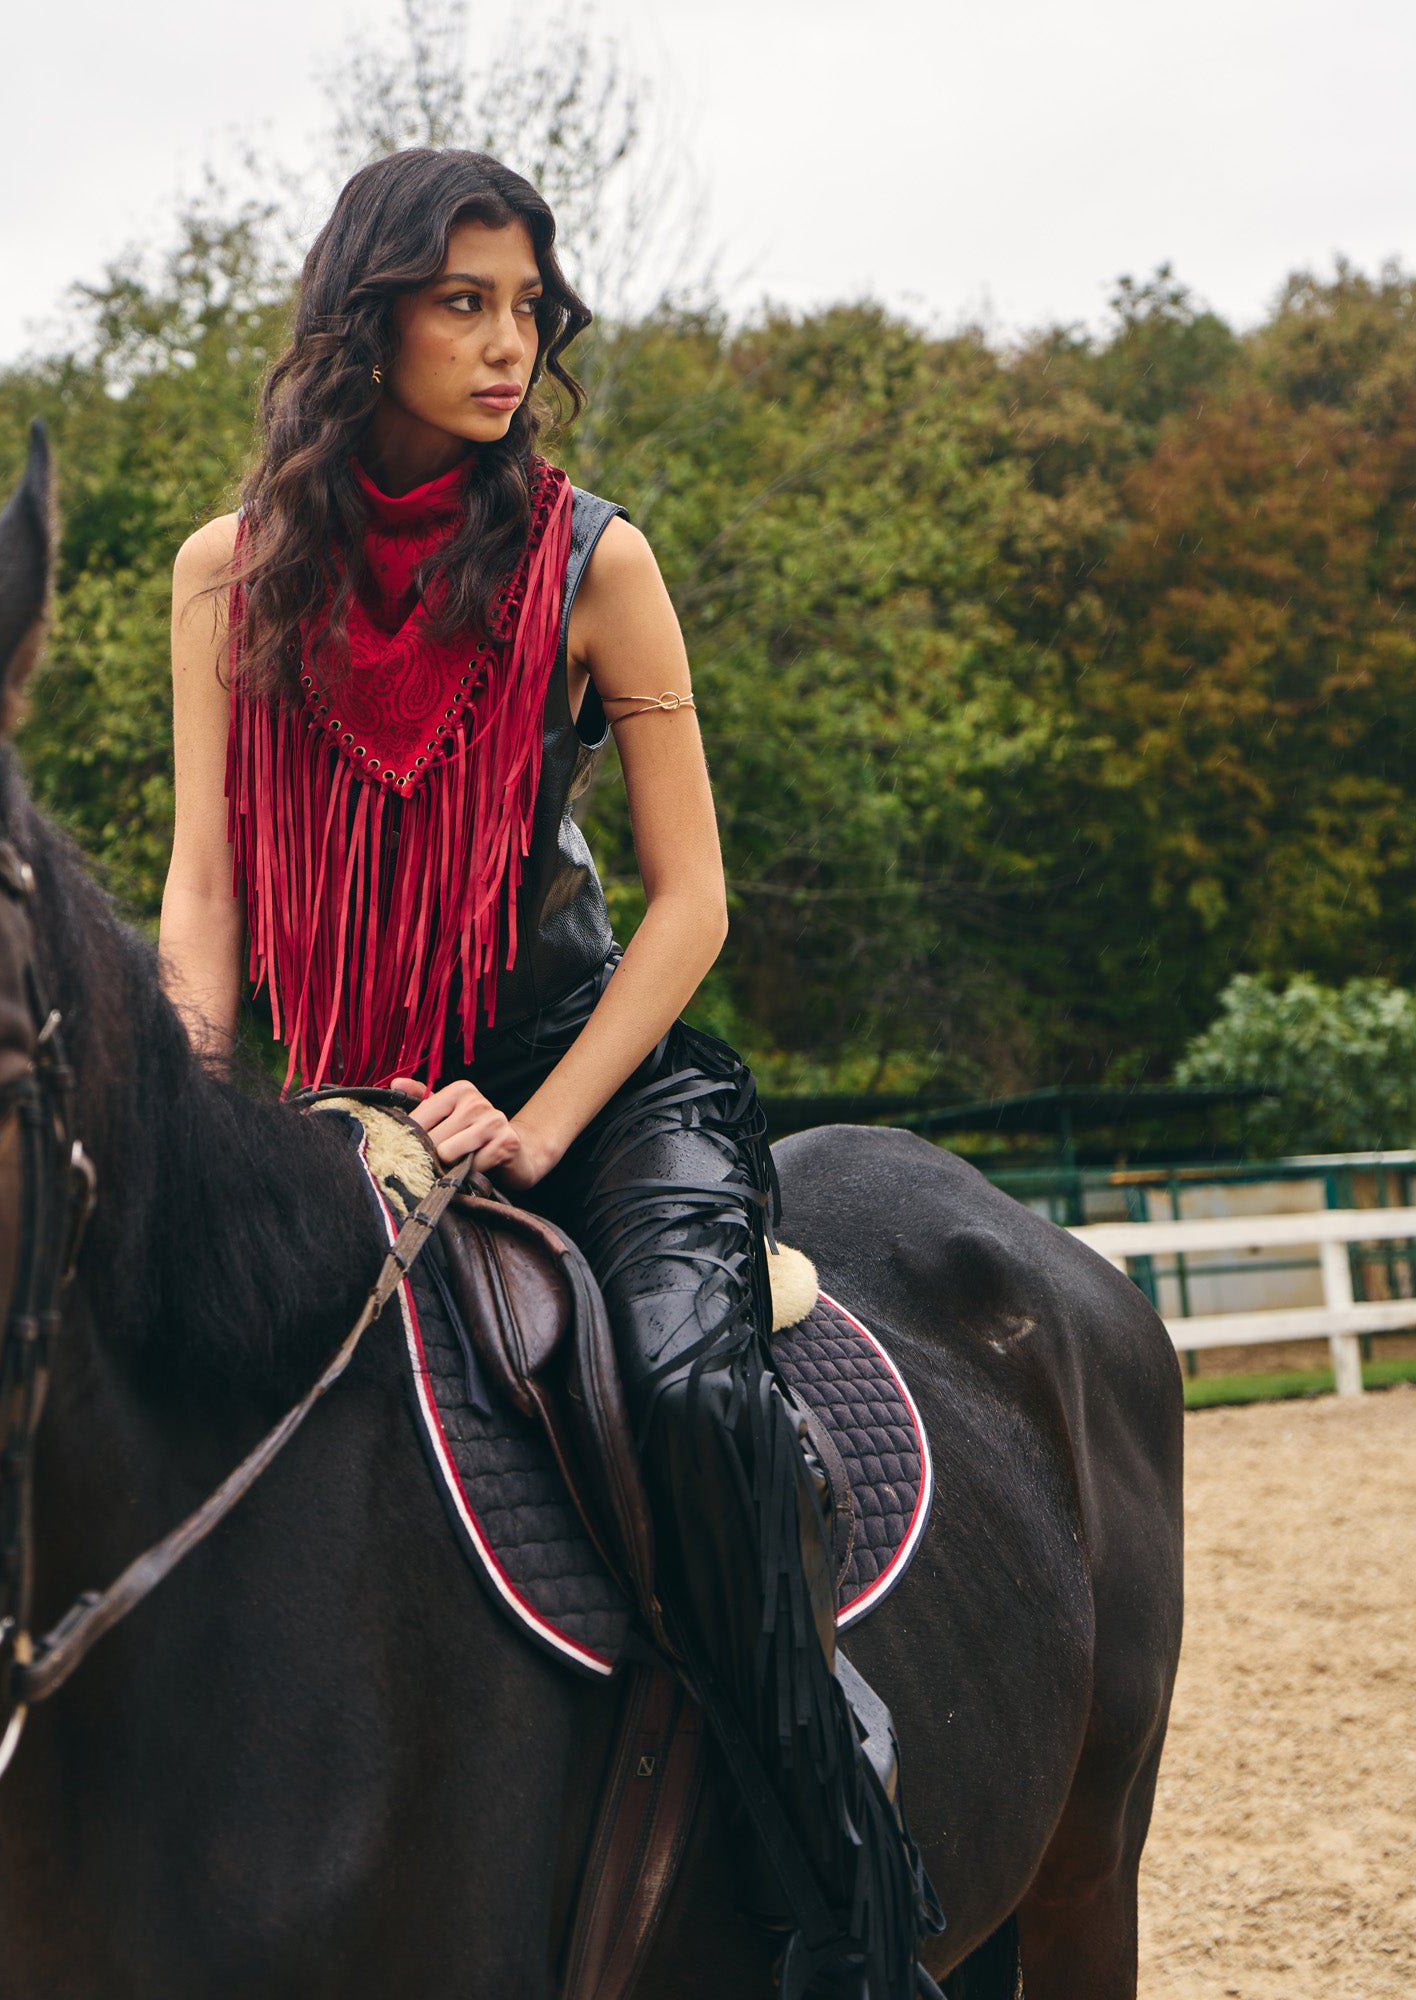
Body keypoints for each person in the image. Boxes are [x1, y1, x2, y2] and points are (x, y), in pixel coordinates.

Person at [161, 147, 940, 1999]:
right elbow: (203, 885)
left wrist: (538, 1122)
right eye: (463, 303)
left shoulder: (600, 562)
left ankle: (848, 1889)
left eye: (527, 307)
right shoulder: (224, 576)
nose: (508, 344)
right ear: (370, 320)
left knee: (680, 1385)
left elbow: (692, 908)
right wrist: (199, 1112)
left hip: (589, 1084)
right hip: (342, 1092)